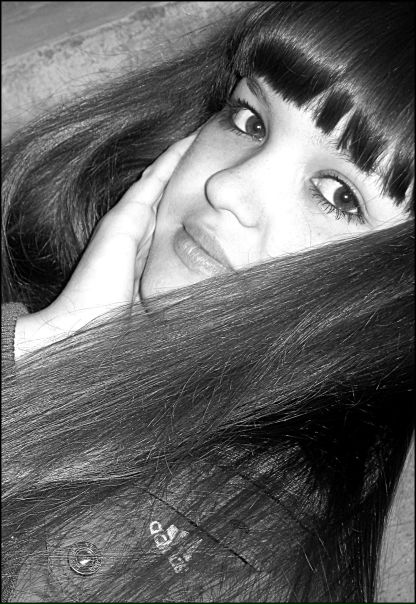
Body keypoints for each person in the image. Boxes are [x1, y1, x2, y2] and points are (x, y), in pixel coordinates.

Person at [2, 1, 414, 601]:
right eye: (250, 121)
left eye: (338, 196)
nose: (227, 186)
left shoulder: (249, 554)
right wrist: (53, 352)